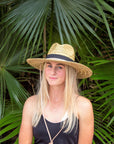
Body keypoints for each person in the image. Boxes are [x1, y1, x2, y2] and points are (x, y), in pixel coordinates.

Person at [19, 43, 94, 144]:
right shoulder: (32, 104)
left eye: (59, 67)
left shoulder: (83, 106)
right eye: (49, 66)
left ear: (69, 72)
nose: (52, 72)